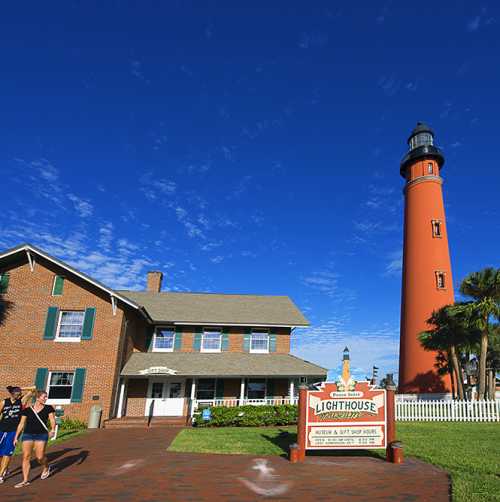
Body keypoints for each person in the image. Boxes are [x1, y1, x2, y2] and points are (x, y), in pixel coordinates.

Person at [13, 390, 56, 488]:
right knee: (26, 456)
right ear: (37, 398)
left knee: (40, 457)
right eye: (44, 397)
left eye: (46, 397)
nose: (46, 399)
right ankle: (25, 480)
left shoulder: (48, 408)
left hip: (41, 435)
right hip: (28, 434)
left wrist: (53, 430)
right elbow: (21, 424)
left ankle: (46, 466)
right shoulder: (27, 410)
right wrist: (16, 437)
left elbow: (52, 420)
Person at [0, 385, 35, 484]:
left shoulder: (22, 401)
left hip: (13, 431)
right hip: (1, 430)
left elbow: (33, 388)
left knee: (7, 452)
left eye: (19, 394)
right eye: (16, 394)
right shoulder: (4, 402)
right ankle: (4, 469)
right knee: (1, 453)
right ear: (11, 394)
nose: (18, 395)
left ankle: (1, 475)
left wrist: (20, 388)